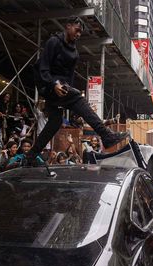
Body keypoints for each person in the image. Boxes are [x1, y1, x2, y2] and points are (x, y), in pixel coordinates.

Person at [31, 16, 127, 164]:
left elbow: (69, 77)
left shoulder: (74, 52)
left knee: (54, 123)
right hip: (47, 85)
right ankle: (106, 136)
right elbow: (43, 68)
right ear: (68, 26)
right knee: (79, 100)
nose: (78, 35)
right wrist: (53, 85)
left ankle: (30, 156)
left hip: (61, 88)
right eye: (76, 30)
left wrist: (66, 91)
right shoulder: (54, 42)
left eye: (80, 33)